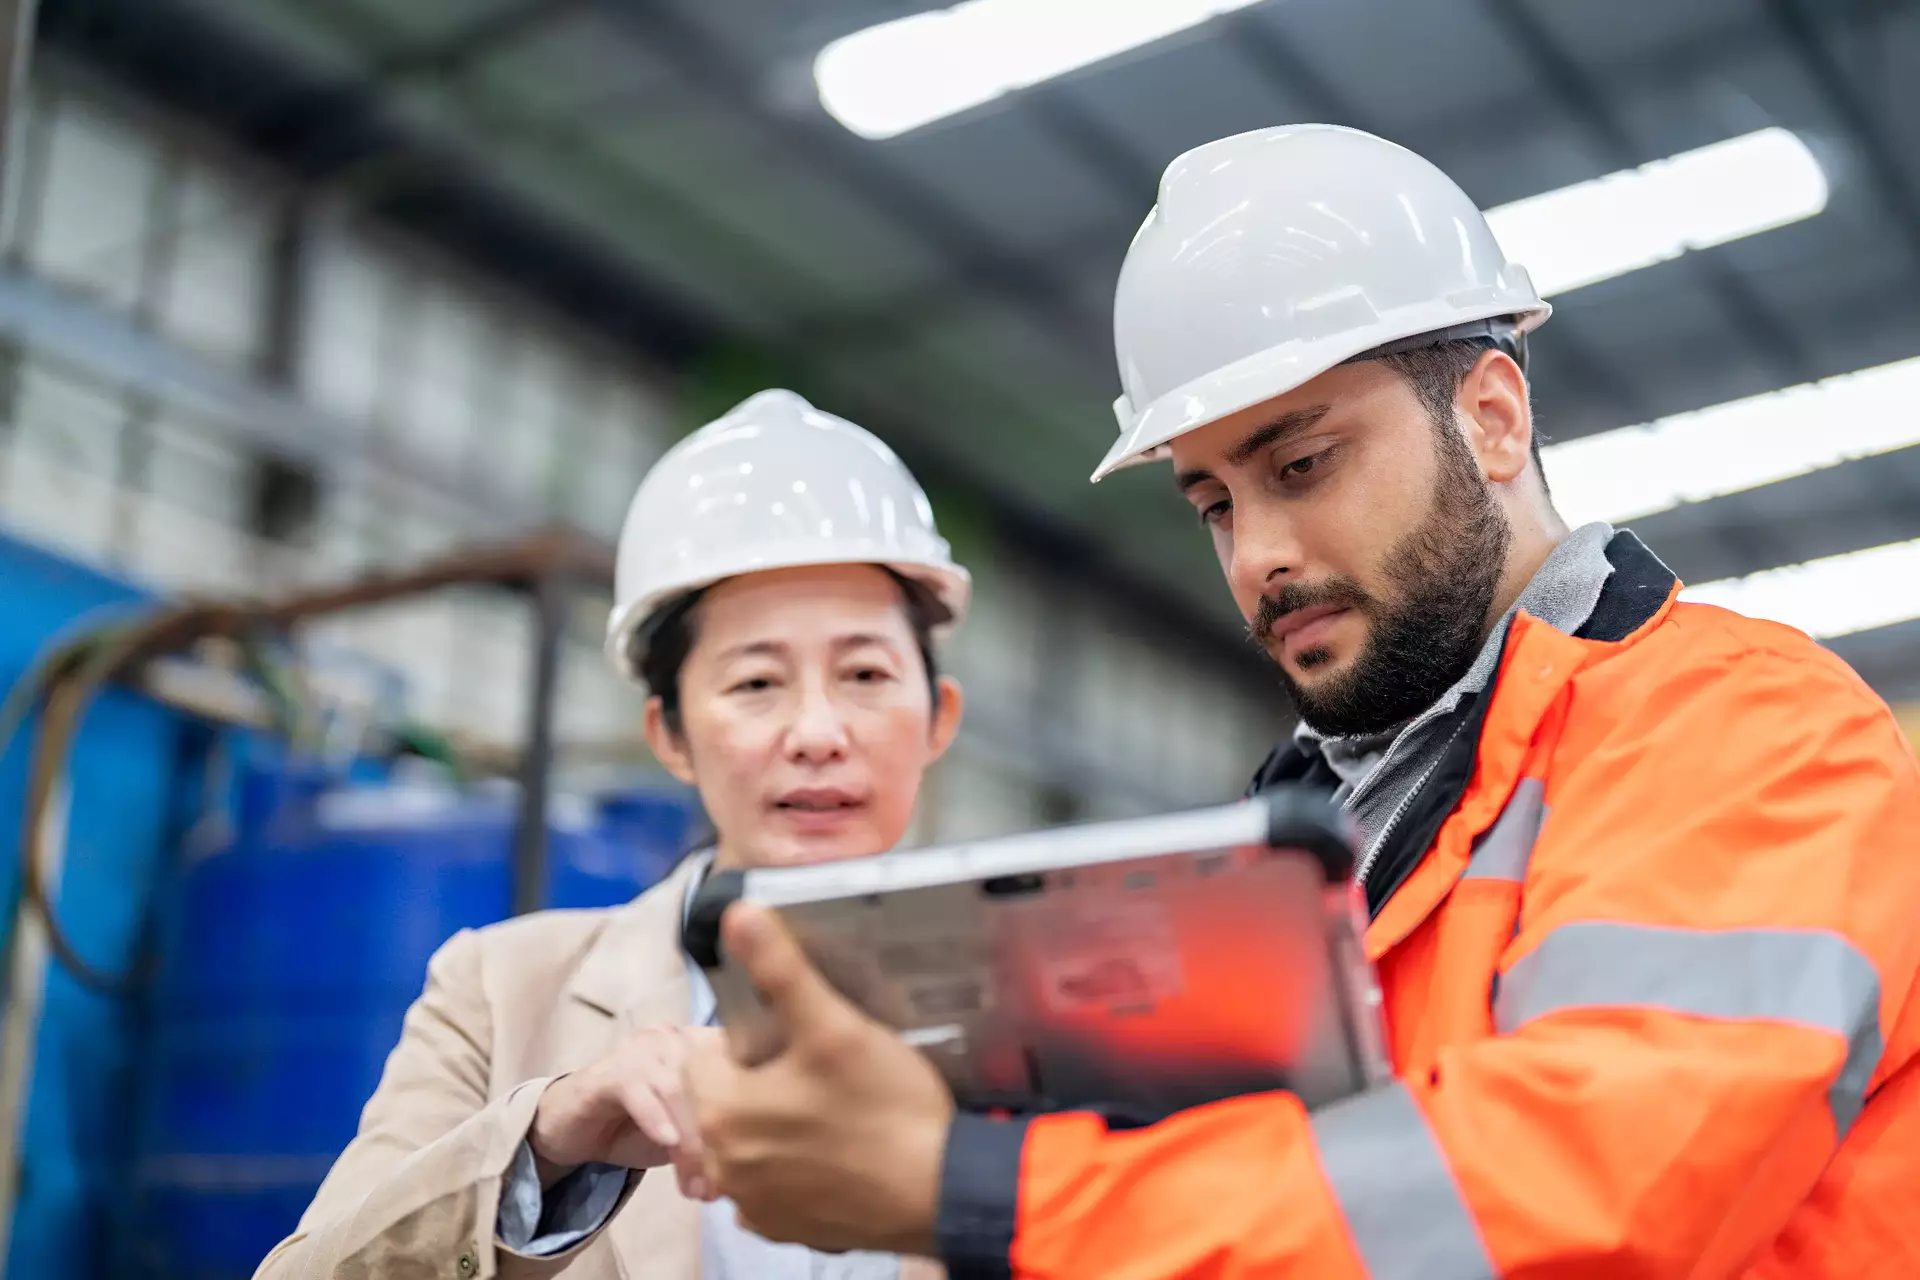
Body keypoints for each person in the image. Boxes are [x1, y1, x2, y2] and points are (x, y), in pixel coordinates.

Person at [680, 125, 1920, 1278]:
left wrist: (989, 1190)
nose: (1255, 554)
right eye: (1214, 501)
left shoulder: (1742, 725)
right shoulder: (1309, 816)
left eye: (1301, 464)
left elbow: (1606, 1186)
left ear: (1491, 417)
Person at [253, 389, 965, 1280]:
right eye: (755, 684)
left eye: (864, 672)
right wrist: (547, 1147)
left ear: (938, 717)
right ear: (669, 733)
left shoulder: (1073, 1017)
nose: (818, 733)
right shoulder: (500, 993)